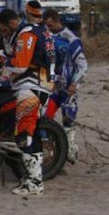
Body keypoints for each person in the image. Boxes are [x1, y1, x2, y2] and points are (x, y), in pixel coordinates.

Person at [0, 3, 56, 196]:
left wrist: (1, 57)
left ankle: (35, 183)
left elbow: (20, 65)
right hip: (43, 87)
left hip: (30, 87)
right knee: (33, 134)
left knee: (24, 135)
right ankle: (32, 180)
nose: (3, 33)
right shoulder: (44, 32)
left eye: (4, 29)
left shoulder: (27, 33)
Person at [43, 9, 88, 164]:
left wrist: (75, 82)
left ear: (56, 21)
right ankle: (52, 153)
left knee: (68, 120)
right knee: (46, 118)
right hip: (53, 87)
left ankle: (70, 152)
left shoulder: (72, 39)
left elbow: (83, 65)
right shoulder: (47, 37)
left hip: (69, 88)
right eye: (46, 25)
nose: (48, 28)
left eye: (50, 25)